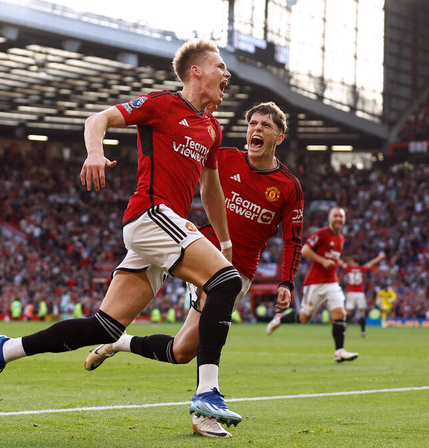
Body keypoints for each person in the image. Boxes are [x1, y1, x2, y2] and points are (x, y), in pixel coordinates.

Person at [0, 38, 244, 428]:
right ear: (195, 71)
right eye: (219, 66)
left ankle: (5, 349)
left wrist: (226, 242)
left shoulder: (212, 128)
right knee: (225, 282)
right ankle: (206, 393)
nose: (226, 74)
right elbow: (96, 119)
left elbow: (210, 189)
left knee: (104, 326)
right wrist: (94, 152)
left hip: (164, 231)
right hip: (151, 215)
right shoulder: (160, 103)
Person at [83, 102, 304, 438]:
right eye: (252, 124)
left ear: (280, 136)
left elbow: (293, 239)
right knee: (214, 317)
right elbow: (183, 171)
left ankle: (119, 343)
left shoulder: (288, 187)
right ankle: (205, 409)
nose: (255, 130)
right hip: (203, 255)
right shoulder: (225, 158)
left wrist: (286, 280)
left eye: (265, 126)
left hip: (241, 270)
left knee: (182, 350)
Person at [266, 207, 359, 363]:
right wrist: (323, 261)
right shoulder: (322, 234)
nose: (338, 218)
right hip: (315, 283)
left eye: (341, 216)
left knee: (340, 313)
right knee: (304, 318)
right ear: (330, 218)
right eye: (335, 215)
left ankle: (339, 351)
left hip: (332, 282)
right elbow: (305, 250)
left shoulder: (340, 239)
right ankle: (280, 319)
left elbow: (332, 258)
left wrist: (338, 263)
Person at [340, 251, 385, 337]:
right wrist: (380, 257)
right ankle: (363, 332)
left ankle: (343, 331)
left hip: (351, 293)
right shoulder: (361, 269)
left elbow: (340, 263)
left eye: (352, 261)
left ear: (354, 262)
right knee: (362, 313)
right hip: (360, 294)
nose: (350, 262)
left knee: (348, 312)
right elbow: (371, 263)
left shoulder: (348, 268)